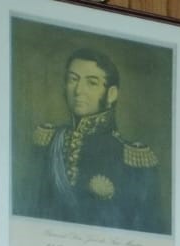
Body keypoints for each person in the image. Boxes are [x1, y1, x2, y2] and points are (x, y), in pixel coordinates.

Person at [19, 47, 166, 234]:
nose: (79, 90)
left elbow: (148, 233)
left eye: (92, 83)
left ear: (111, 94)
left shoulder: (134, 159)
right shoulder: (46, 142)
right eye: (73, 79)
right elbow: (27, 213)